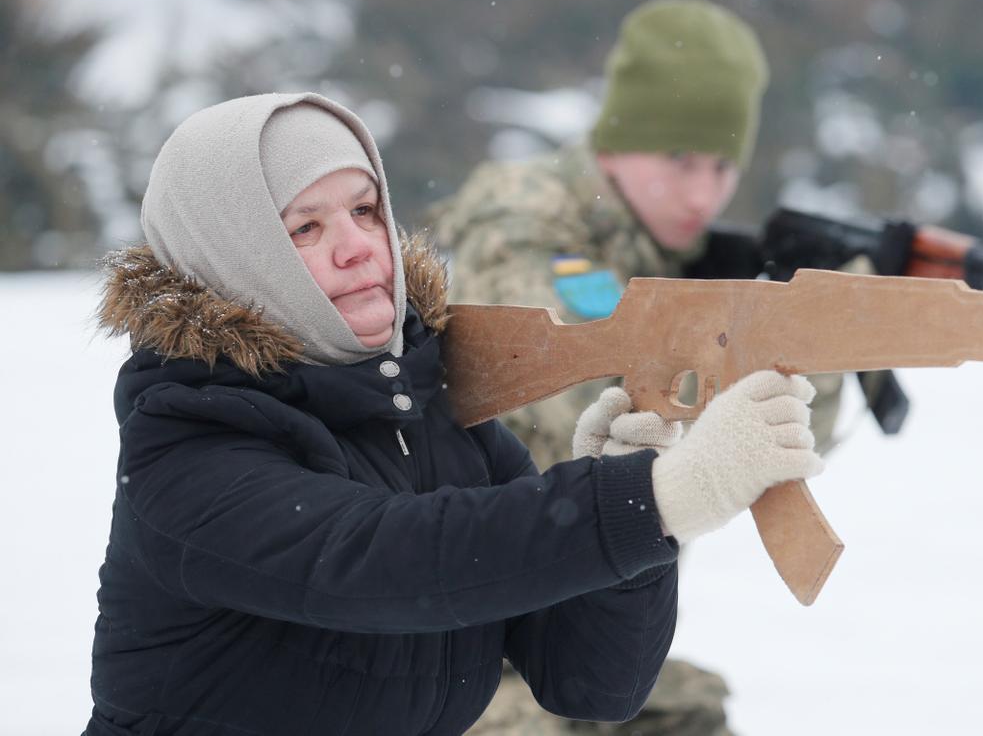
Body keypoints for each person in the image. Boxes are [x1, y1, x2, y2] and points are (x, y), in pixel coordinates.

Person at [87, 91, 825, 735]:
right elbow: (381, 561)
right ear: (230, 255)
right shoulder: (188, 444)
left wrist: (632, 517)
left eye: (364, 208)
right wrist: (658, 497)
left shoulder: (430, 410)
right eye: (303, 228)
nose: (357, 247)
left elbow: (591, 682)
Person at [436, 0, 844, 734]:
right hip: (458, 646)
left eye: (722, 165)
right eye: (677, 159)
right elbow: (597, 400)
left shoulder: (663, 256)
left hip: (574, 640)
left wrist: (828, 354)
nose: (702, 192)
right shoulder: (525, 219)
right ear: (616, 141)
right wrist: (751, 344)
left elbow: (775, 453)